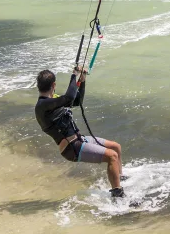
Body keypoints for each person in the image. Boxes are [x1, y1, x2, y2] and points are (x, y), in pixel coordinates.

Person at [34, 67, 126, 198]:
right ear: (54, 85)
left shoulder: (51, 101)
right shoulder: (42, 106)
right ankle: (119, 196)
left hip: (79, 140)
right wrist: (74, 75)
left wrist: (82, 80)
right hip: (71, 148)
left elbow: (76, 101)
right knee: (112, 156)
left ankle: (118, 178)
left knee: (115, 147)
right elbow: (69, 97)